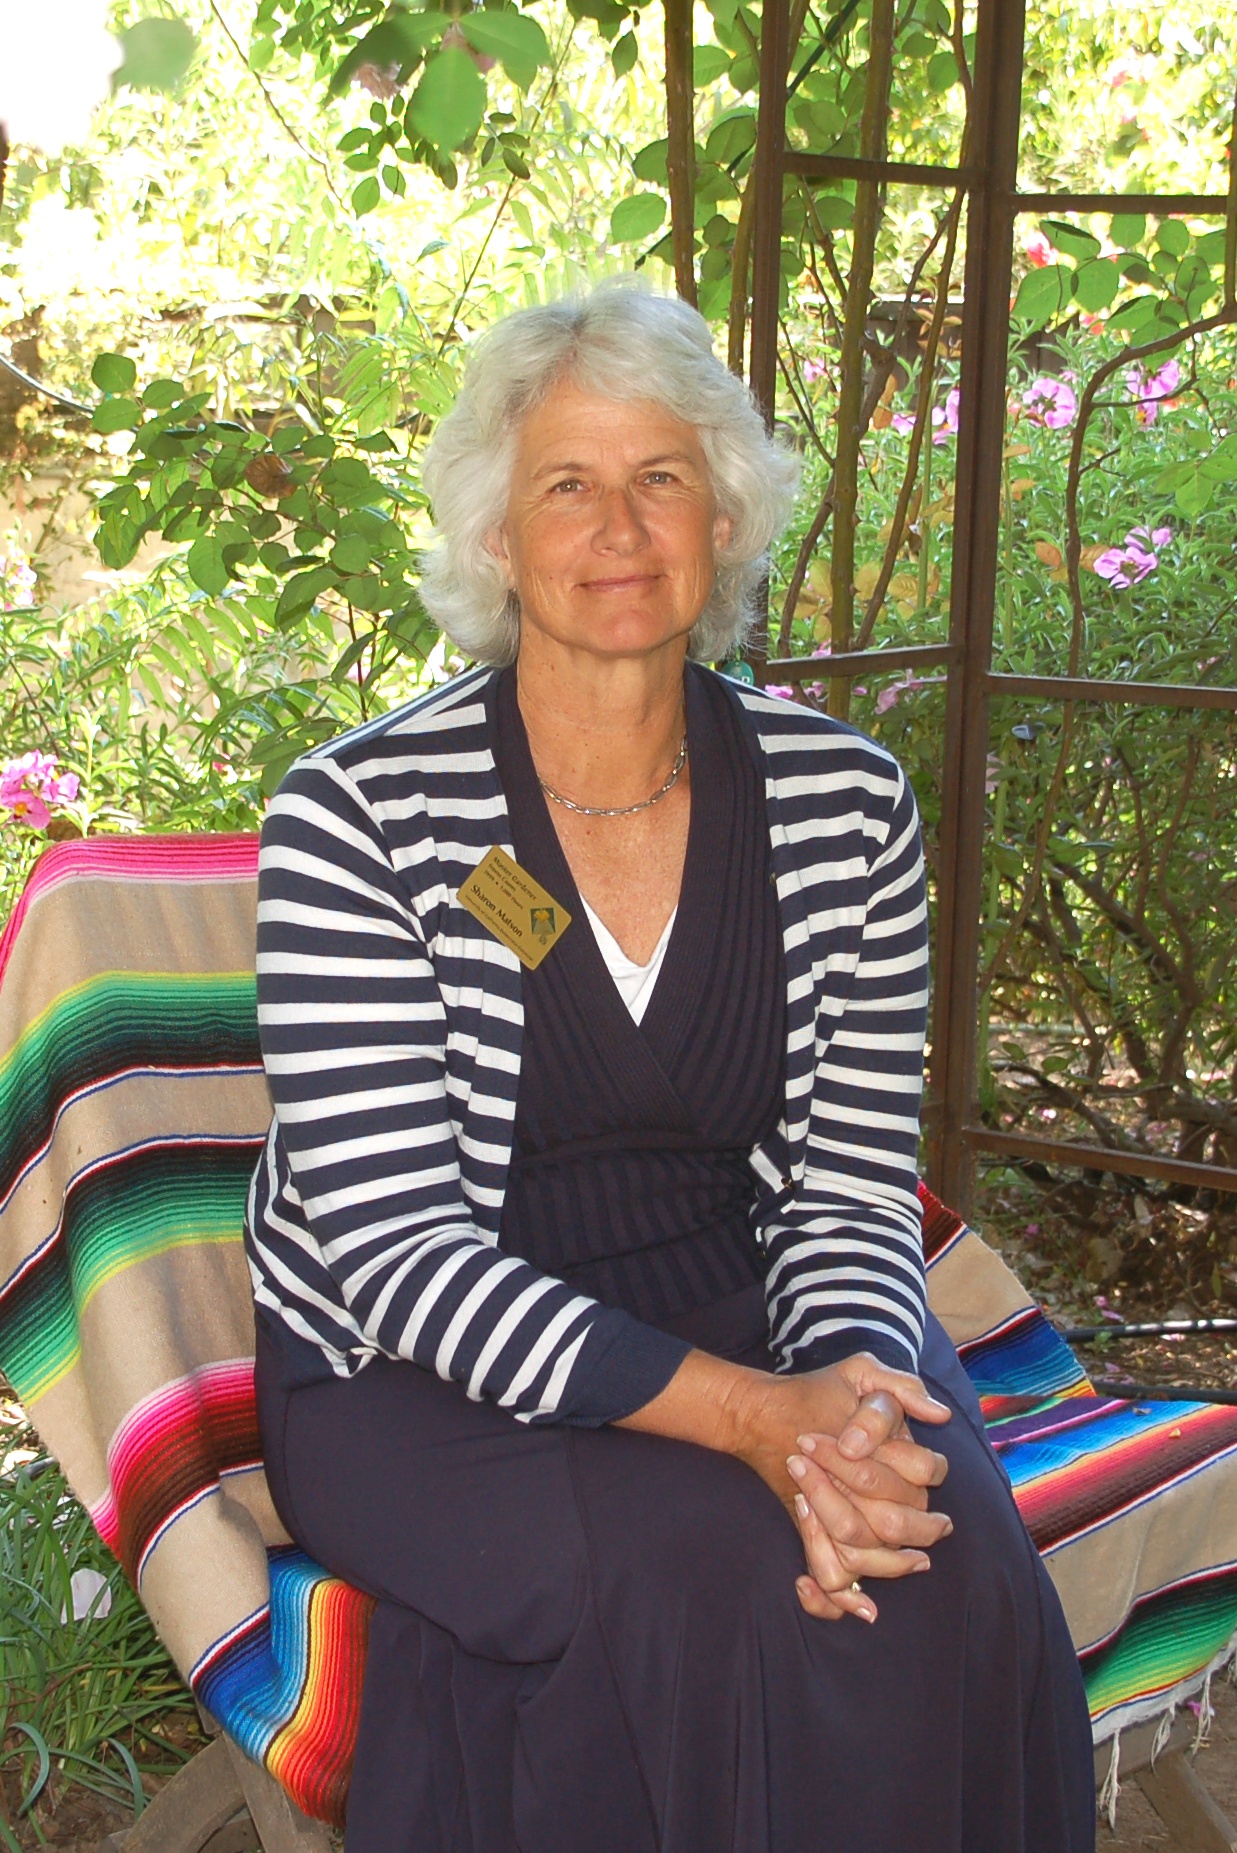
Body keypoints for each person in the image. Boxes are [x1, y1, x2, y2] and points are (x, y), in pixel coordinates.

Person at [246, 282, 1095, 1852]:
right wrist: (751, 1420)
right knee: (724, 1578)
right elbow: (392, 1250)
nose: (619, 528)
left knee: (938, 1551)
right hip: (416, 1366)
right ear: (497, 533)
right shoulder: (361, 818)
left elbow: (846, 1188)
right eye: (567, 483)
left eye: (661, 477)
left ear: (724, 514)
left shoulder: (842, 801)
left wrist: (846, 1402)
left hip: (744, 1295)